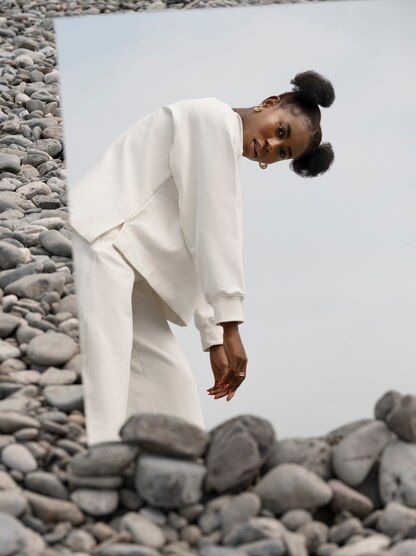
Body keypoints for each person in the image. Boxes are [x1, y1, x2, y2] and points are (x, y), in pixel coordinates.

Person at [68, 70, 335, 446]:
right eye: (281, 130)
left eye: (283, 151)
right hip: (101, 242)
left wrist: (212, 338)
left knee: (171, 392)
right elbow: (213, 226)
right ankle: (91, 476)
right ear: (270, 103)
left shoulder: (220, 146)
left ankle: (178, 489)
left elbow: (200, 236)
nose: (272, 146)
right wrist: (229, 327)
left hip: (130, 265)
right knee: (103, 391)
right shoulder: (214, 119)